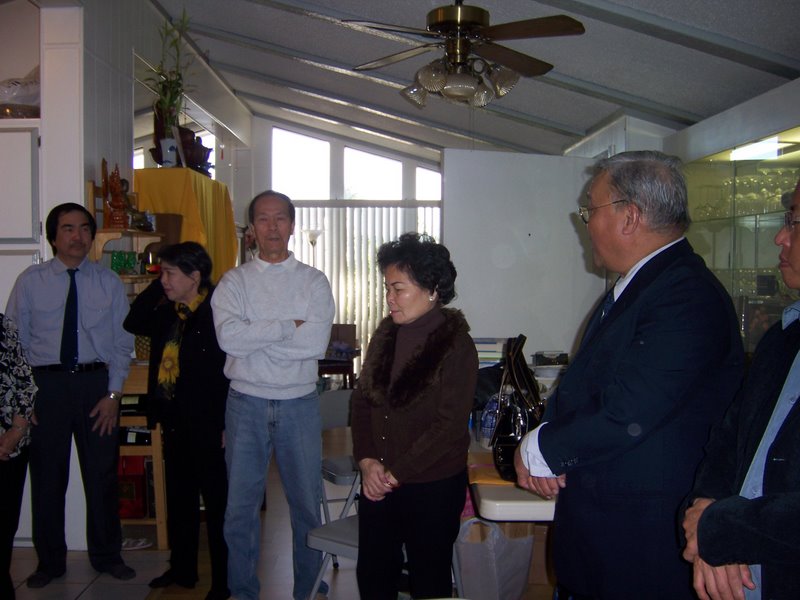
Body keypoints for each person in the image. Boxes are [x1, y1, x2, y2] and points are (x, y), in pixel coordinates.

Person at [513, 151, 744, 600]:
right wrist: (548, 438)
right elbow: (586, 386)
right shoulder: (643, 285)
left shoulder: (685, 295)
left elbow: (628, 409)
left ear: (630, 217)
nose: (586, 224)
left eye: (590, 210)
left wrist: (540, 448)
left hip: (640, 551)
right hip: (606, 541)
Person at [211, 190, 335, 600]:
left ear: (292, 225)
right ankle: (242, 592)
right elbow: (230, 339)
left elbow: (314, 344)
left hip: (300, 402)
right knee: (239, 509)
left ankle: (308, 590)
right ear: (252, 229)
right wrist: (286, 326)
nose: (272, 227)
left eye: (280, 218)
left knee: (306, 507)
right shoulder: (234, 282)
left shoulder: (313, 281)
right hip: (244, 403)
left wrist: (256, 335)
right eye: (263, 219)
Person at [681, 177, 800, 600]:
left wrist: (724, 528)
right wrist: (705, 509)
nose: (780, 237)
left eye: (794, 222)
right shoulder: (782, 339)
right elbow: (728, 441)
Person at [5, 202, 135, 587]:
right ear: (53, 236)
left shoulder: (108, 282)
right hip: (47, 388)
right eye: (67, 228)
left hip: (97, 387)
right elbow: (14, 344)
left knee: (102, 475)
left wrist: (114, 395)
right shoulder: (30, 281)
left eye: (83, 228)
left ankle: (107, 555)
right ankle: (50, 562)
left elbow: (122, 343)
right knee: (48, 478)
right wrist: (24, 401)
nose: (77, 236)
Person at [351, 232, 478, 600]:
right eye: (387, 288)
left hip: (431, 485)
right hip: (379, 480)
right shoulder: (386, 334)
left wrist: (396, 473)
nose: (389, 298)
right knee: (374, 575)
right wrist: (367, 461)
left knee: (429, 579)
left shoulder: (456, 345)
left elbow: (449, 427)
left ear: (433, 290)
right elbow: (362, 401)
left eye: (398, 289)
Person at [123, 242, 230, 600]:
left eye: (169, 273)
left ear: (194, 276)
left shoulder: (218, 311)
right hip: (174, 420)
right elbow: (132, 321)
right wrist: (160, 284)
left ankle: (223, 580)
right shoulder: (168, 312)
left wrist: (227, 424)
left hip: (210, 425)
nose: (163, 280)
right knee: (179, 499)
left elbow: (229, 374)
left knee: (217, 505)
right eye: (162, 274)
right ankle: (182, 570)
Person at [0, 314, 37, 600]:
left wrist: (15, 432)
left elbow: (27, 384)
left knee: (4, 524)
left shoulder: (3, 327)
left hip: (8, 441)